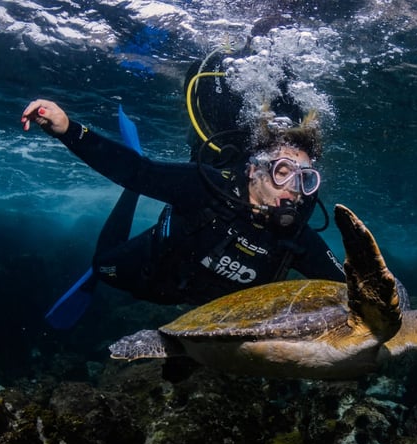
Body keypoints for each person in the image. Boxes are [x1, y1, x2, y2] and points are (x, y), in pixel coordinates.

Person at [21, 98, 344, 328]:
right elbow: (135, 170)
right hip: (152, 277)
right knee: (103, 264)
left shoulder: (297, 235)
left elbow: (346, 287)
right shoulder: (207, 186)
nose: (293, 188)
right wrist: (68, 130)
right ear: (253, 171)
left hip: (205, 310)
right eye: (283, 171)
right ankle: (128, 206)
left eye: (305, 179)